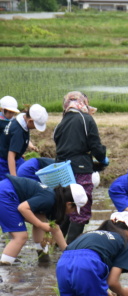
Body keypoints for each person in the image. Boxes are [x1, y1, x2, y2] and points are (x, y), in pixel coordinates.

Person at [53, 91, 108, 244]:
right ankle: (72, 247)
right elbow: (95, 146)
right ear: (82, 103)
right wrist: (103, 158)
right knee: (81, 206)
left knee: (66, 205)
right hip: (80, 169)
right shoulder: (86, 119)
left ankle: (59, 246)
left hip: (62, 170)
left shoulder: (60, 124)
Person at [0, 176, 87, 265]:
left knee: (41, 218)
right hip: (5, 194)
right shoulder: (49, 199)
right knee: (21, 236)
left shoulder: (55, 200)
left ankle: (43, 256)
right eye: (74, 209)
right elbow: (23, 208)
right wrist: (40, 225)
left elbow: (55, 228)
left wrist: (67, 251)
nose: (72, 212)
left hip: (8, 192)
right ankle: (4, 269)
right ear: (69, 204)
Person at [0, 104, 48, 178]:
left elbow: (13, 142)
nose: (35, 128)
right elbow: (11, 155)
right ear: (30, 121)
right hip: (5, 162)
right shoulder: (18, 132)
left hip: (16, 158)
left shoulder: (21, 120)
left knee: (28, 171)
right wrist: (15, 178)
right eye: (36, 126)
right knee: (13, 183)